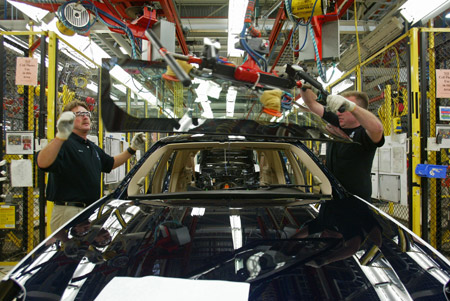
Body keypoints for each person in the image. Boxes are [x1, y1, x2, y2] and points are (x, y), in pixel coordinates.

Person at [293, 88, 385, 267]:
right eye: (338, 109)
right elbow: (312, 104)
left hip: (353, 203)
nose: (338, 113)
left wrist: (324, 260)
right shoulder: (339, 123)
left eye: (343, 109)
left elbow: (377, 128)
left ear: (356, 112)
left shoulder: (363, 136)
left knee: (351, 233)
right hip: (332, 200)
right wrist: (304, 86)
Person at [36, 100, 146, 233]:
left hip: (88, 210)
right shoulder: (64, 144)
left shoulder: (90, 146)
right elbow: (42, 163)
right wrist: (60, 137)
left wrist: (132, 149)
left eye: (86, 113)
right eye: (78, 114)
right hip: (69, 212)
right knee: (67, 252)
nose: (85, 117)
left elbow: (110, 163)